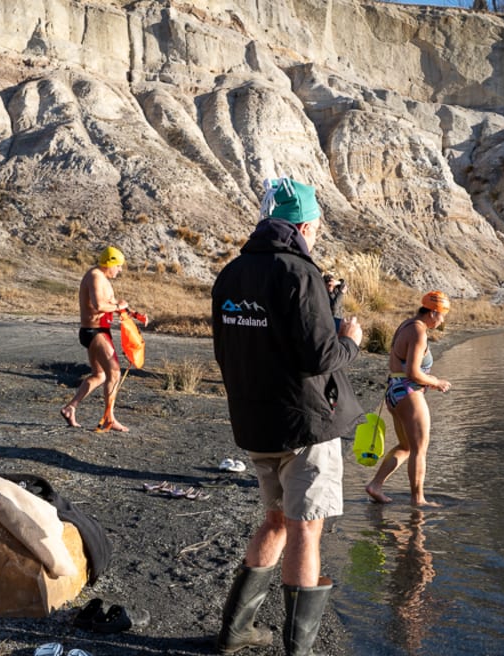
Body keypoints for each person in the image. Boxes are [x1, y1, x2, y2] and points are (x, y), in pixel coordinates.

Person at [212, 177, 364, 656]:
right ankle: (299, 650)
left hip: (255, 422)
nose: (316, 237)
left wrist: (326, 303)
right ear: (302, 226)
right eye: (316, 229)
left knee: (275, 520)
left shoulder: (232, 274)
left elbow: (239, 346)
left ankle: (236, 632)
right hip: (303, 425)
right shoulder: (299, 271)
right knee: (305, 525)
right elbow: (320, 357)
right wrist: (352, 340)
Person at [365, 291, 452, 506]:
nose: (442, 321)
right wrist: (435, 381)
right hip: (408, 393)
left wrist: (427, 380)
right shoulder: (418, 331)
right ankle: (418, 499)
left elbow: (400, 367)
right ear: (433, 312)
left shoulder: (407, 324)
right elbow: (413, 372)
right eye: (442, 315)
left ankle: (375, 485)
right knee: (420, 449)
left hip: (395, 391)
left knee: (406, 447)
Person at [60, 246, 132, 432]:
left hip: (96, 331)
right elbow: (99, 305)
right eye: (118, 266)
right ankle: (109, 418)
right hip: (95, 332)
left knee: (100, 375)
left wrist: (134, 314)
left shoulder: (101, 277)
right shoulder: (95, 277)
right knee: (114, 373)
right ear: (110, 263)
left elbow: (112, 304)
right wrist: (118, 306)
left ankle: (70, 407)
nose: (120, 270)